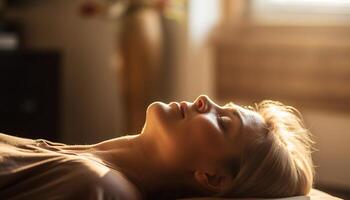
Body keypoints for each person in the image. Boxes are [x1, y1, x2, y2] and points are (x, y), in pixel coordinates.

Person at [0, 95, 314, 200]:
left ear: (213, 177)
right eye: (224, 106)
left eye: (223, 122)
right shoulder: (78, 161)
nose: (205, 100)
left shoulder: (94, 185)